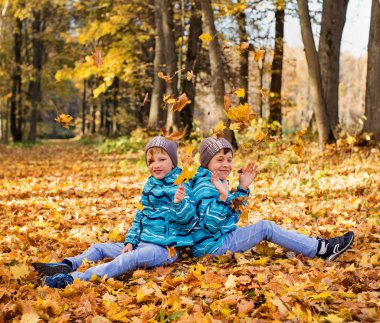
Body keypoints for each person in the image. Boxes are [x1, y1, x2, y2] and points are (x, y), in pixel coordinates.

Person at [33, 136, 196, 288]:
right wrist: (131, 241)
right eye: (151, 161)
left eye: (162, 159)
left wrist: (178, 204)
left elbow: (187, 221)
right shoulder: (150, 185)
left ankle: (72, 279)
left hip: (164, 248)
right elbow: (140, 217)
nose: (156, 165)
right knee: (99, 248)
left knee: (127, 259)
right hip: (142, 243)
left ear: (173, 162)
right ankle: (67, 265)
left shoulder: (181, 186)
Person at [190, 136, 354, 261]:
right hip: (211, 248)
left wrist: (242, 188)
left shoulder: (216, 181)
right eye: (220, 160)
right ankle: (321, 250)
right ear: (206, 163)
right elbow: (210, 226)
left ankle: (316, 246)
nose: (226, 164)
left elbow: (231, 217)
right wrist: (223, 197)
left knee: (265, 227)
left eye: (229, 160)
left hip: (218, 239)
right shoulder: (205, 187)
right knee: (265, 228)